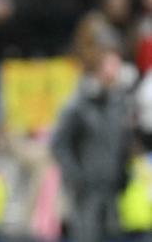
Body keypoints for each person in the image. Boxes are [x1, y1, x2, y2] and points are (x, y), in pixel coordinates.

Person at [51, 49, 133, 242]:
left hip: (112, 190)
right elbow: (59, 144)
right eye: (110, 66)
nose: (114, 72)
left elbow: (122, 144)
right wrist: (75, 176)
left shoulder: (119, 103)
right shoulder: (79, 103)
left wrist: (124, 173)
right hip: (86, 192)